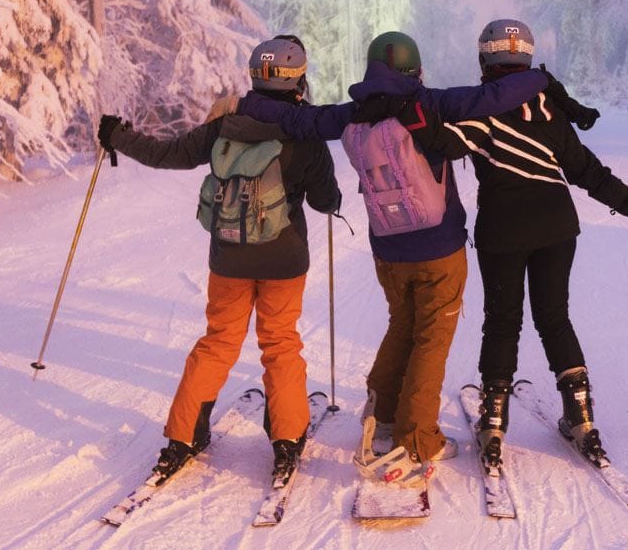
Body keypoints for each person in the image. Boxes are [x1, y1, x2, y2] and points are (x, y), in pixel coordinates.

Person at [234, 30, 561, 484]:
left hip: (387, 247)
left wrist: (250, 104)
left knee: (402, 325)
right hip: (438, 246)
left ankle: (382, 412)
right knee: (431, 337)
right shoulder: (430, 103)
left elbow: (297, 121)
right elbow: (495, 95)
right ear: (416, 69)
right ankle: (419, 438)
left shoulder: (353, 114)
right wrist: (540, 80)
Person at [395, 19, 628, 468]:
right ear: (526, 59)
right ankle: (581, 418)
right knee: (554, 319)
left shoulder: (479, 111)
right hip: (557, 229)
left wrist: (407, 109)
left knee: (503, 323)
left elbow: (441, 141)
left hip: (503, 233)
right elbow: (589, 172)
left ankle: (494, 422)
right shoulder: (549, 110)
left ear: (486, 59)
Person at [96, 35, 341, 486]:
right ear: (299, 80)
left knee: (219, 341)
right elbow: (326, 200)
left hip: (229, 256)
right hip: (285, 260)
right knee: (280, 343)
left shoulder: (225, 125)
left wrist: (118, 135)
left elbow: (167, 155)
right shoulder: (304, 132)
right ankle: (286, 440)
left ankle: (183, 436)